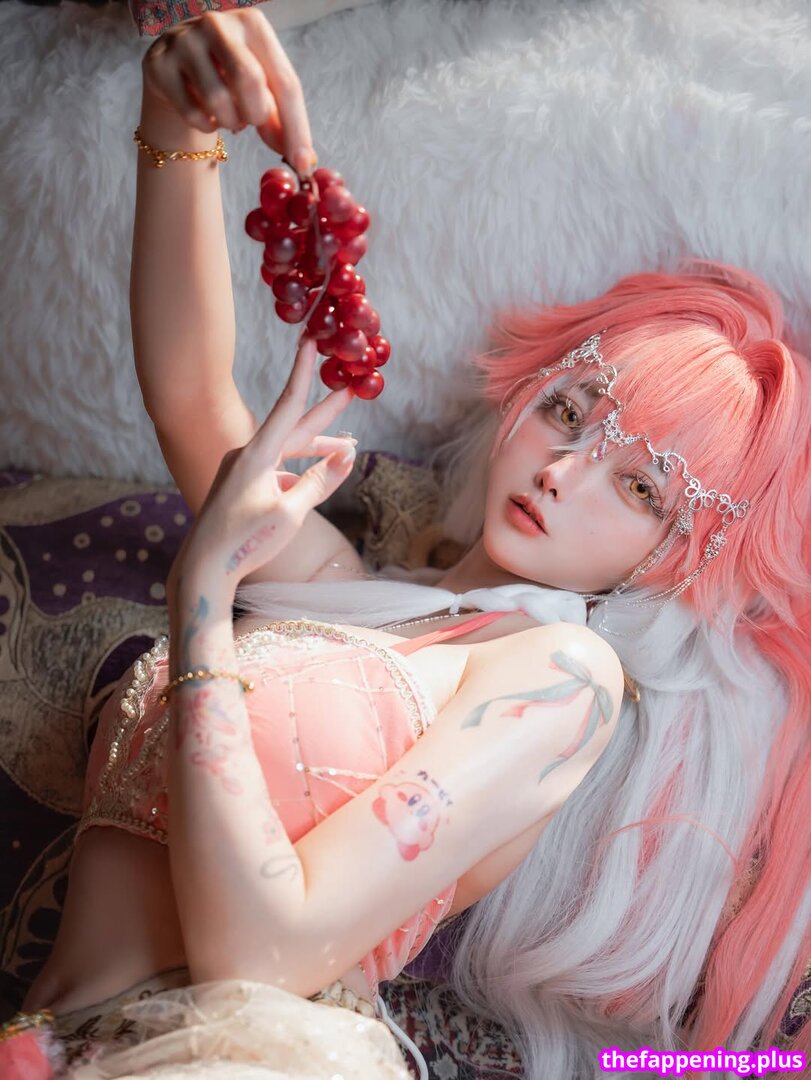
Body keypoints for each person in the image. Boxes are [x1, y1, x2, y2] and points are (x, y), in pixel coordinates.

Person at [8, 8, 809, 1079]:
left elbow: (261, 957)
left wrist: (201, 605)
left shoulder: (561, 677)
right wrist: (177, 123)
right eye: (568, 412)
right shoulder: (347, 594)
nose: (560, 473)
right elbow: (194, 401)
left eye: (637, 487)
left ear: (672, 560)